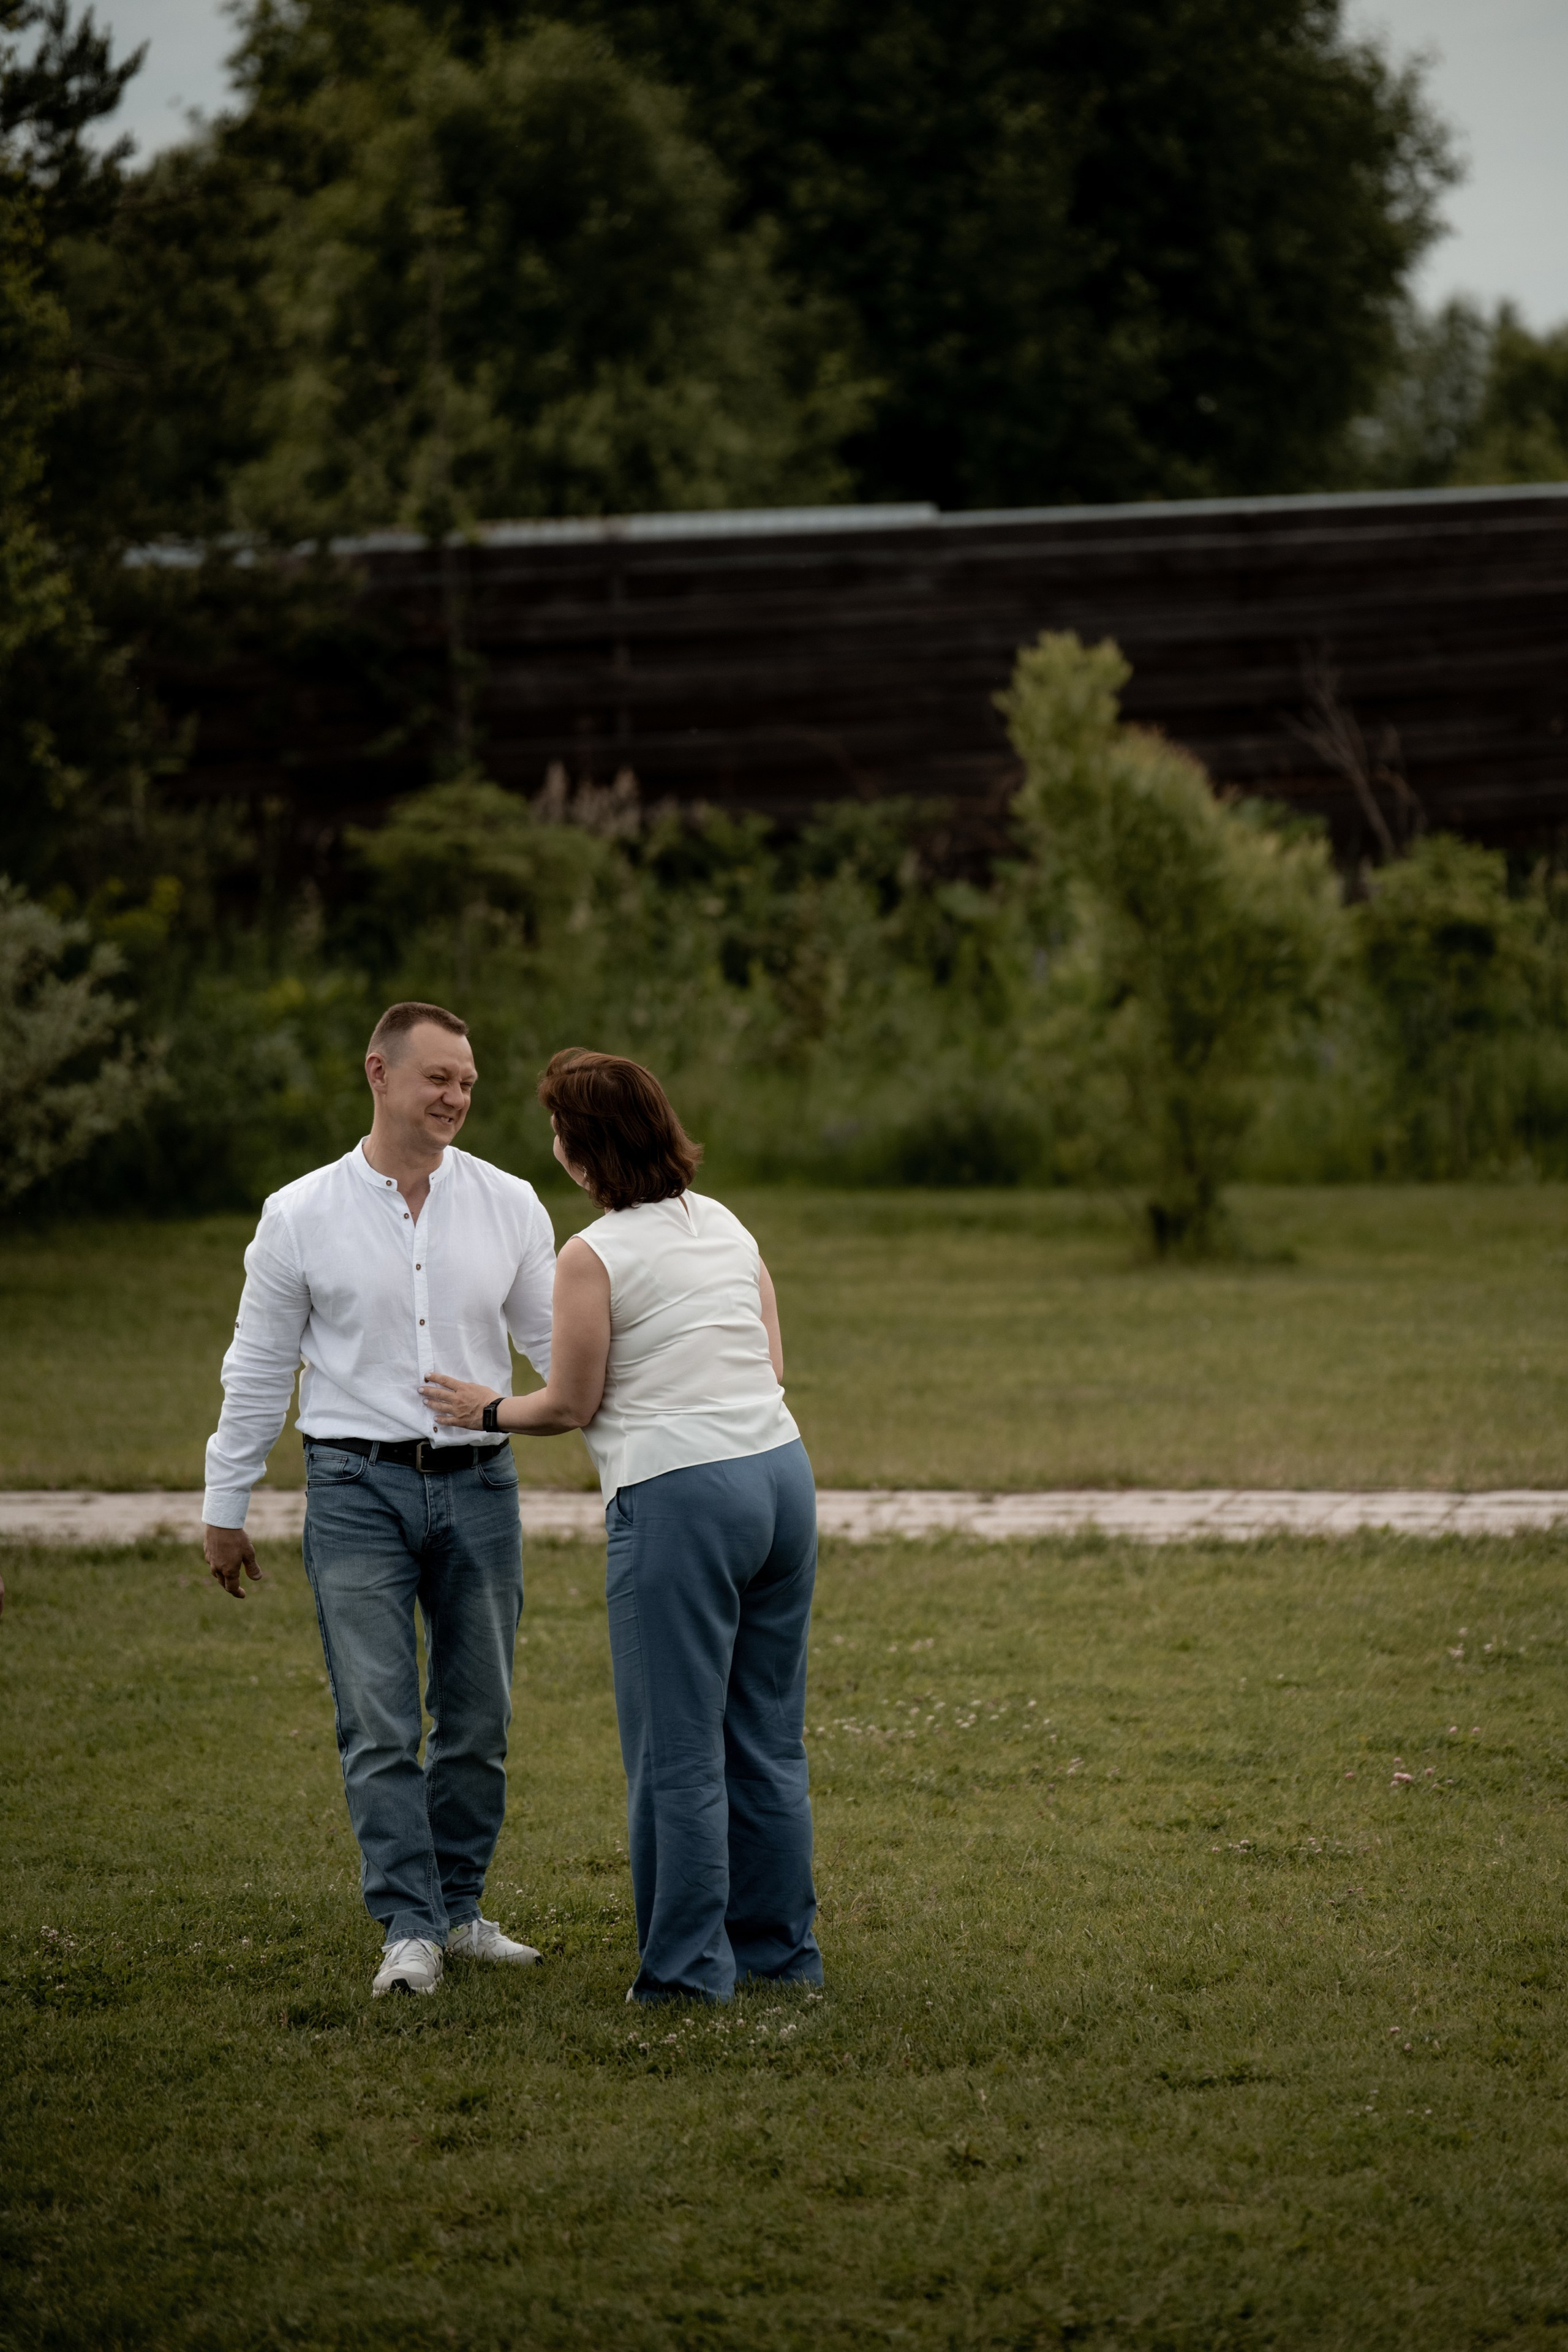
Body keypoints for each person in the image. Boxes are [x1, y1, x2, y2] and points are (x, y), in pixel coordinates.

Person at [423, 1049, 822, 2005]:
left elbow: (569, 1403)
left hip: (682, 1499)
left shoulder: (592, 1254)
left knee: (676, 1751)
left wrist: (484, 1409)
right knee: (765, 1736)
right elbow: (770, 1361)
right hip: (781, 1479)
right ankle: (779, 1957)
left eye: (559, 1128)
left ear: (580, 1149)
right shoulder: (725, 1223)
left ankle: (686, 1975)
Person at [201, 1001, 557, 1999]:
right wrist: (225, 1503)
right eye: (439, 1078)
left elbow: (559, 1356)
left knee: (478, 1718)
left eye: (468, 1083)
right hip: (354, 1490)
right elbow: (259, 1367)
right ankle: (408, 1927)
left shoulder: (511, 1204)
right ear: (379, 1073)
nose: (456, 1098)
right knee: (379, 1722)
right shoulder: (299, 1213)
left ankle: (460, 1909)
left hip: (481, 1484)